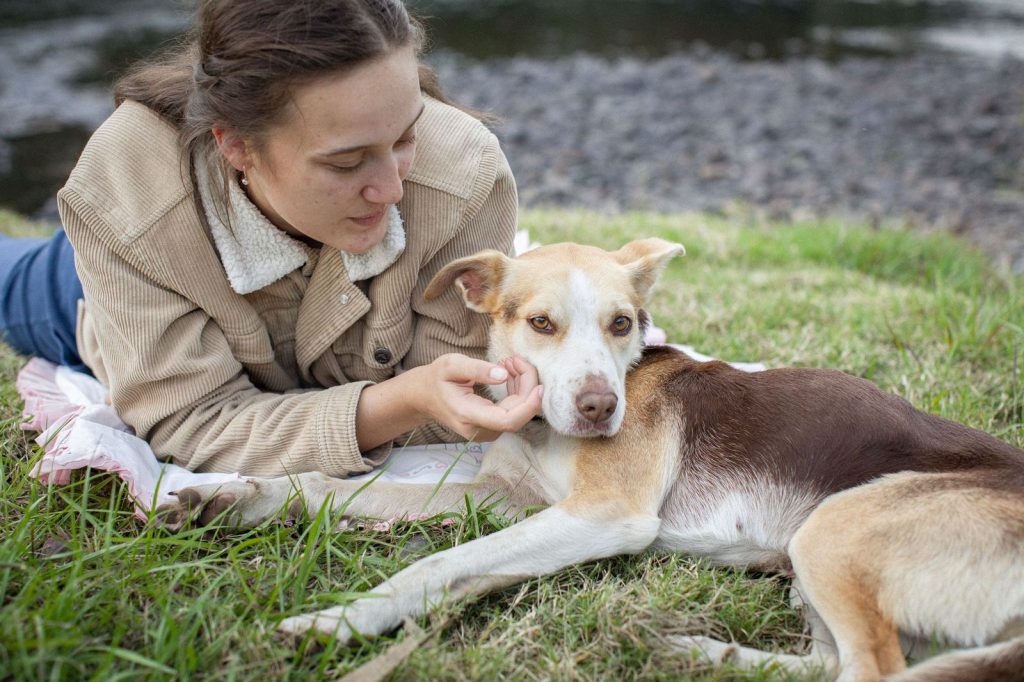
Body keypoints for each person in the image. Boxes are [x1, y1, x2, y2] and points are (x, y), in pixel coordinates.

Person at [0, 0, 543, 477]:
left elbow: (456, 394)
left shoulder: (465, 174)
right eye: (347, 162)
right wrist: (397, 404)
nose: (392, 188)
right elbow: (193, 419)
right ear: (236, 146)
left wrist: (425, 402)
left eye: (405, 137)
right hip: (100, 283)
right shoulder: (128, 200)